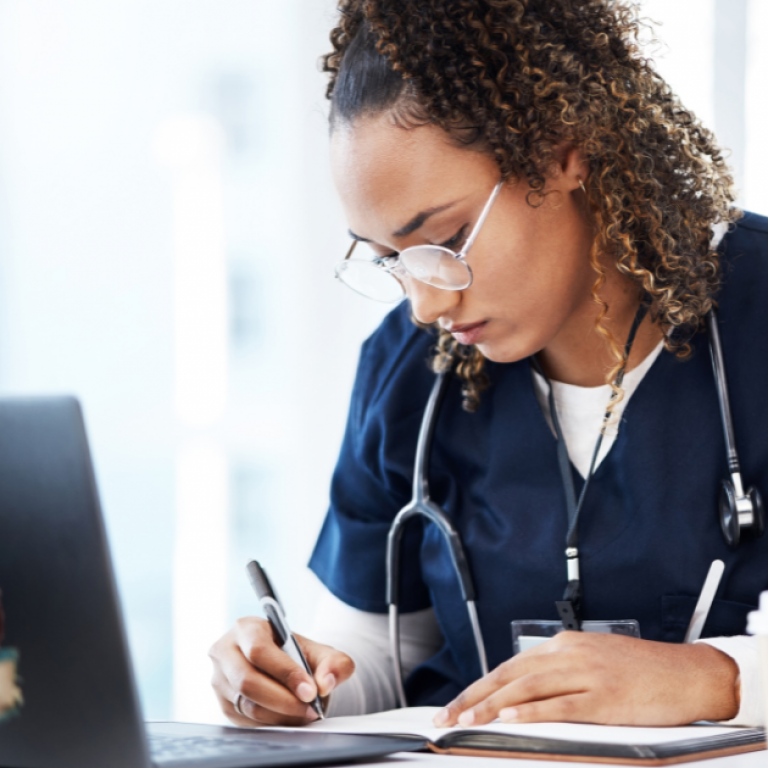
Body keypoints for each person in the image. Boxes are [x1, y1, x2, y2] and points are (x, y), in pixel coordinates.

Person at [209, 0, 768, 729]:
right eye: (391, 260)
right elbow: (376, 654)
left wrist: (718, 680)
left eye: (444, 241)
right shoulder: (410, 369)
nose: (425, 304)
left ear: (563, 152)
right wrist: (292, 683)